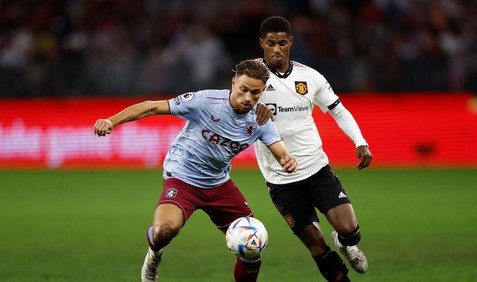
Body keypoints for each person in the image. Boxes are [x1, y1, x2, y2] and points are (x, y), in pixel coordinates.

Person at [93, 59, 298, 282]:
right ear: (233, 83)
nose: (248, 98)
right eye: (243, 90)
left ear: (262, 92)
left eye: (255, 93)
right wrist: (111, 121)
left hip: (219, 184)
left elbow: (280, 151)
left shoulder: (260, 120)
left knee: (251, 245)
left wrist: (287, 160)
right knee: (165, 231)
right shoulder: (205, 101)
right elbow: (152, 106)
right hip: (182, 176)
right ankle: (153, 256)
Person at [253, 16, 373, 282]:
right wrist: (251, 109)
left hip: (316, 168)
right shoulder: (249, 77)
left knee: (351, 230)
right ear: (261, 43)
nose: (276, 49)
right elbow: (233, 108)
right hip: (281, 180)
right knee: (317, 247)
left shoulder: (310, 77)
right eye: (270, 43)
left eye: (282, 43)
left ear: (290, 43)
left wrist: (360, 142)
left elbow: (338, 110)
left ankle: (345, 243)